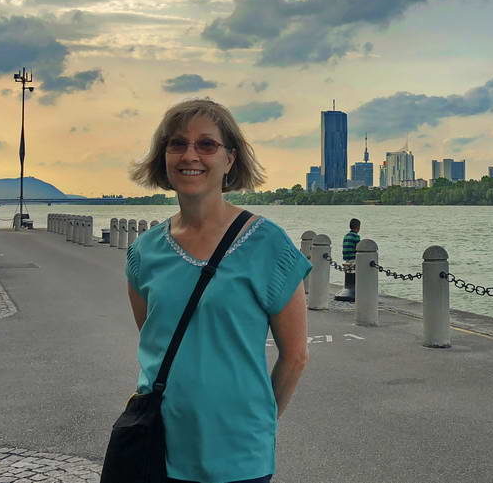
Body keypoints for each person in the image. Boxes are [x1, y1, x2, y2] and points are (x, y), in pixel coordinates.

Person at [125, 99, 310, 483]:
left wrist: (260, 422)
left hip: (239, 454)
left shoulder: (268, 245)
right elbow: (155, 345)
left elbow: (295, 356)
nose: (190, 155)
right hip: (159, 447)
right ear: (164, 157)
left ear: (230, 159)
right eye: (177, 144)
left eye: (206, 144)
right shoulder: (145, 252)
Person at [335, 218, 361, 302]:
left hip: (346, 258)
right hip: (353, 258)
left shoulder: (346, 236)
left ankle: (350, 287)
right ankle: (357, 287)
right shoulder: (356, 236)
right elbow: (359, 248)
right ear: (358, 228)